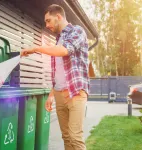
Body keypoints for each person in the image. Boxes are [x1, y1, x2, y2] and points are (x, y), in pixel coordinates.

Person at [20, 4, 89, 150]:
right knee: (66, 137)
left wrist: (36, 48)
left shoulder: (77, 31)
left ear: (58, 17)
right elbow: (59, 71)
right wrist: (52, 94)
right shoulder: (58, 39)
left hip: (75, 92)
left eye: (48, 20)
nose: (47, 25)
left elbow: (64, 51)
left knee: (75, 137)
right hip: (59, 93)